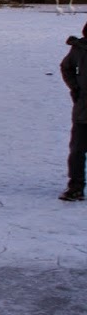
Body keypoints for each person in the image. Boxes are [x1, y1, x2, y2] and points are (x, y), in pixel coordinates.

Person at [61, 20, 87, 202]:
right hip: (84, 109)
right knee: (77, 150)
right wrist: (76, 89)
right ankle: (76, 186)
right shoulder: (79, 49)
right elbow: (66, 67)